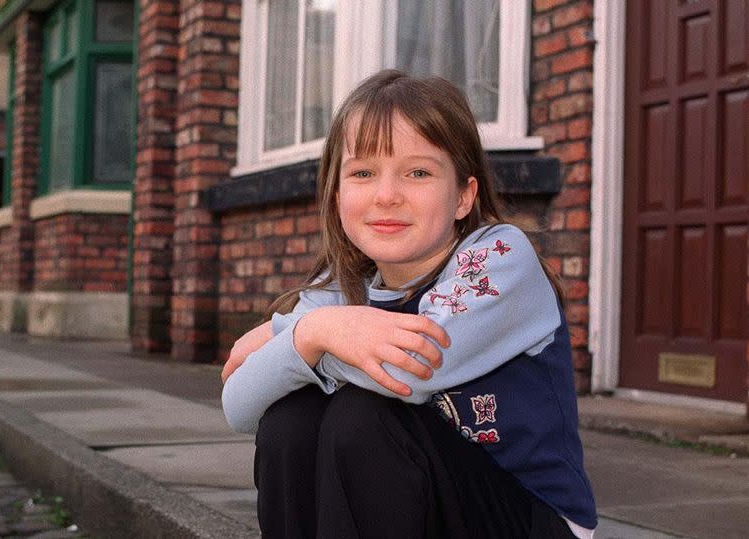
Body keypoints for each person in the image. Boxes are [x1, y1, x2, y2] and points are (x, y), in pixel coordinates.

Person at [221, 69, 597, 539]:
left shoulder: (499, 257)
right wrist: (308, 333)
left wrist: (294, 336)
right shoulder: (339, 294)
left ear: (463, 195)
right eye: (362, 173)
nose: (387, 195)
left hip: (524, 516)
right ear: (338, 196)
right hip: (415, 505)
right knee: (290, 421)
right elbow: (239, 407)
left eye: (418, 172)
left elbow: (410, 370)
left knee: (365, 416)